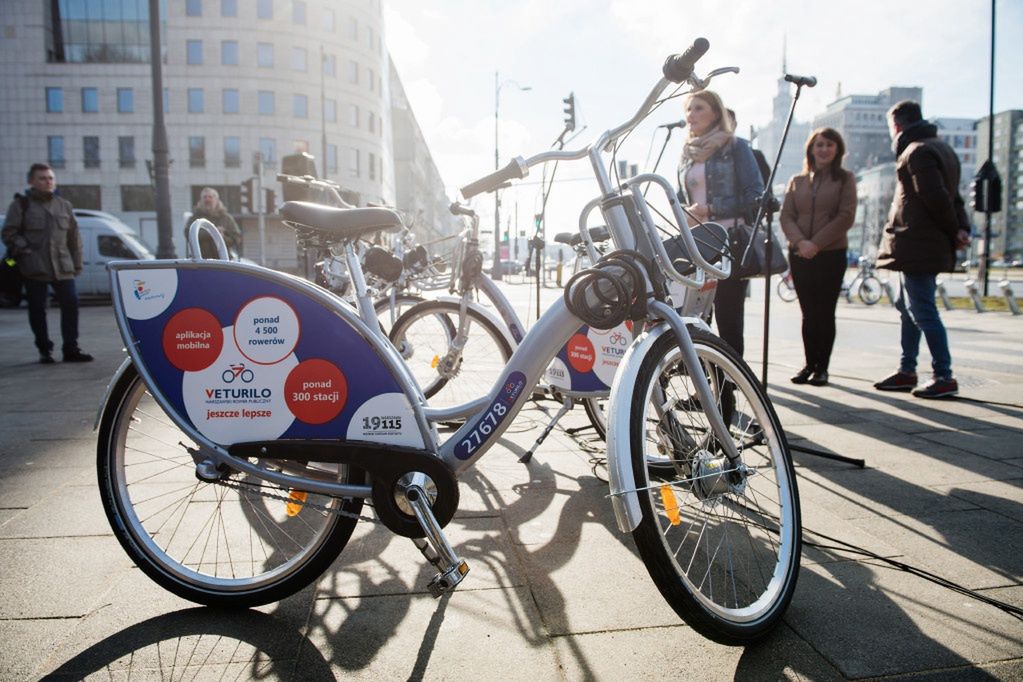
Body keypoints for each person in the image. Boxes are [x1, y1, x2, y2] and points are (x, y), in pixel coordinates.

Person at [874, 101, 970, 399]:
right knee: (908, 308)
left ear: (898, 125)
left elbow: (936, 196)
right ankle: (907, 370)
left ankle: (944, 375)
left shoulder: (916, 151)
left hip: (918, 241)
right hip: (923, 242)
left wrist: (954, 228)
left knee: (922, 310)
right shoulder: (941, 148)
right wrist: (961, 227)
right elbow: (955, 197)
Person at [677, 91, 764, 355]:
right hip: (697, 243)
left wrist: (711, 208)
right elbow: (682, 198)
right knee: (697, 319)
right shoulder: (686, 154)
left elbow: (756, 196)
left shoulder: (736, 146)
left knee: (728, 318)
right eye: (688, 109)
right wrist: (686, 211)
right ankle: (705, 385)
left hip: (729, 241)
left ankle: (728, 388)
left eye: (698, 108)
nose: (691, 115)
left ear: (716, 113)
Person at [780, 128, 857, 387]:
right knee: (807, 313)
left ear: (837, 150)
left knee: (825, 312)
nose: (824, 150)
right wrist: (801, 242)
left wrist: (816, 243)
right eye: (819, 145)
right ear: (811, 149)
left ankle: (822, 368)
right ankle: (809, 364)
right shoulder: (797, 181)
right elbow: (786, 216)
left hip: (830, 254)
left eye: (829, 145)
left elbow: (845, 216)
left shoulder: (845, 179)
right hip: (800, 254)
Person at [1, 163, 92, 363]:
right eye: (42, 178)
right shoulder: (21, 205)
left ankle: (71, 348)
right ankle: (45, 350)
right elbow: (9, 233)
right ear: (31, 181)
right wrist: (25, 250)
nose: (48, 181)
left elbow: (74, 238)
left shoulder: (63, 205)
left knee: (71, 304)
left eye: (50, 178)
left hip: (63, 266)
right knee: (37, 309)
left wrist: (77, 264)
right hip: (35, 267)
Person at [184, 187, 242, 259]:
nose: (207, 199)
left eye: (210, 197)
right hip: (202, 262)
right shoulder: (194, 218)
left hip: (224, 262)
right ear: (201, 200)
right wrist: (213, 232)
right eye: (205, 197)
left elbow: (237, 238)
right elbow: (188, 234)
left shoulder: (226, 218)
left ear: (217, 200)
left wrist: (223, 237)